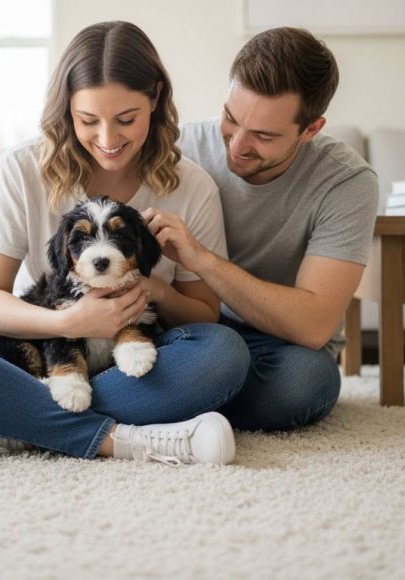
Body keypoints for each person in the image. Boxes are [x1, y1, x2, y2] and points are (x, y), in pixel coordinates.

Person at [0, 21, 250, 465]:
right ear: (66, 109)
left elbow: (204, 316)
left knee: (224, 356)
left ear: (156, 99)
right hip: (41, 344)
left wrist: (153, 290)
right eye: (88, 120)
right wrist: (71, 324)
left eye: (126, 119)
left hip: (136, 354)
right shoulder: (21, 169)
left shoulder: (192, 186)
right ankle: (120, 440)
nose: (107, 140)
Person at [142, 27, 379, 431]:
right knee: (200, 355)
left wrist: (204, 260)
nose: (237, 146)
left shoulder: (346, 182)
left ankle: (160, 399)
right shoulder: (178, 149)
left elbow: (313, 325)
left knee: (306, 384)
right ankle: (186, 397)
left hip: (279, 345)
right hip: (189, 330)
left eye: (264, 136)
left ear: (311, 129)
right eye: (231, 119)